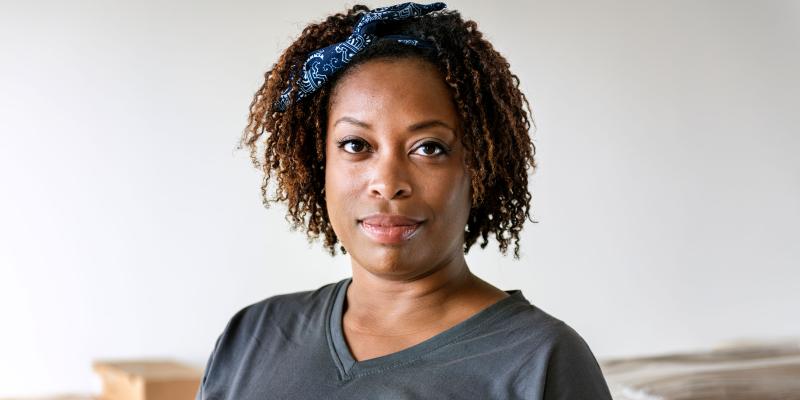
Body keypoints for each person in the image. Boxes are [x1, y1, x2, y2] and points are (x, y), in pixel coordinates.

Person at [196, 2, 613, 399]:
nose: (388, 183)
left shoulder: (541, 361)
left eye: (428, 148)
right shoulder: (251, 335)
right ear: (318, 160)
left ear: (480, 168)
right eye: (356, 144)